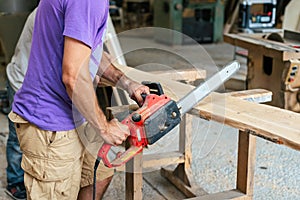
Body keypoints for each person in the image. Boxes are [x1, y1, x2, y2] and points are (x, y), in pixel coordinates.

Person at [8, 1, 149, 199]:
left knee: (99, 174)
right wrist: (105, 128)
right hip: (51, 124)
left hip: (76, 111)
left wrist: (126, 83)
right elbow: (73, 77)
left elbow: (89, 51)